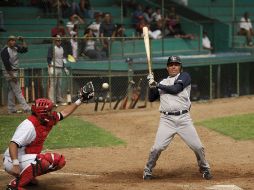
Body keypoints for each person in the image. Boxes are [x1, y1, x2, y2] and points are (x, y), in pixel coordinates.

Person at [3, 82, 94, 190]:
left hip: (25, 157)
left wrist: (80, 100)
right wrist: (15, 164)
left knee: (58, 161)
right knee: (41, 161)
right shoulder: (29, 126)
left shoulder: (47, 119)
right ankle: (14, 186)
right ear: (43, 113)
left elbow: (64, 113)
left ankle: (27, 178)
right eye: (50, 111)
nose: (52, 112)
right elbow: (13, 144)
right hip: (12, 160)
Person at [143, 56, 212, 180]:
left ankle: (204, 168)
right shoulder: (163, 82)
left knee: (198, 147)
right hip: (167, 121)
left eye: (176, 64)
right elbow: (151, 98)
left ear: (180, 66)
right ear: (167, 67)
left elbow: (176, 89)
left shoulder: (185, 77)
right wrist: (151, 84)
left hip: (184, 119)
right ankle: (148, 170)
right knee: (157, 148)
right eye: (171, 64)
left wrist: (157, 84)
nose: (173, 66)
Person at [1, 36, 30, 114]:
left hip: (14, 70)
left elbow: (25, 50)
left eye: (14, 40)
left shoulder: (15, 47)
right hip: (8, 71)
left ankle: (11, 109)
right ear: (8, 42)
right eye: (11, 40)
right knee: (18, 91)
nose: (13, 42)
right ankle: (26, 108)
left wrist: (23, 40)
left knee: (12, 90)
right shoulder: (5, 51)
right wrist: (12, 76)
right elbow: (7, 65)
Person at [47, 35, 69, 105]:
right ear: (54, 41)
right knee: (53, 84)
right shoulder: (52, 47)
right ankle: (52, 101)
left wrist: (64, 67)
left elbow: (62, 59)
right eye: (57, 40)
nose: (58, 42)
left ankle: (59, 99)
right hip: (54, 68)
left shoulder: (62, 48)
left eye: (59, 40)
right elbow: (48, 58)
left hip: (60, 68)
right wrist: (50, 67)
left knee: (59, 85)